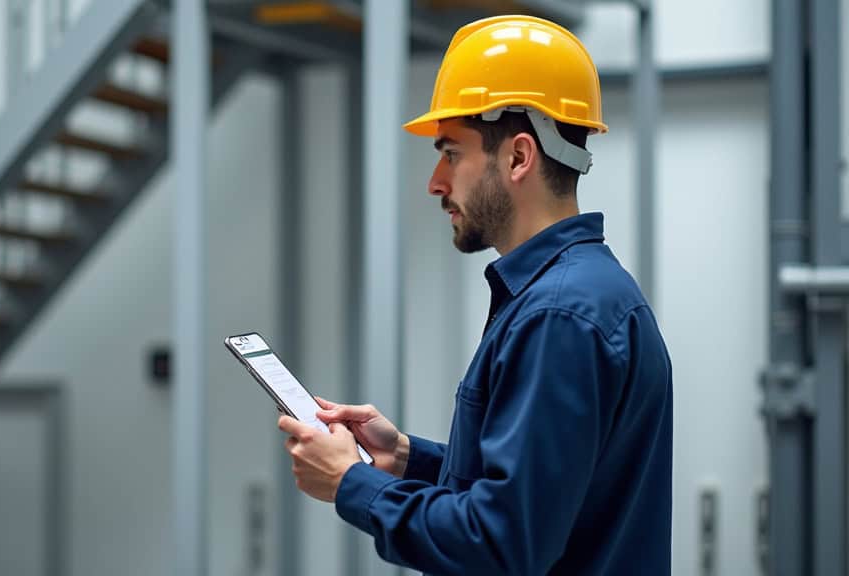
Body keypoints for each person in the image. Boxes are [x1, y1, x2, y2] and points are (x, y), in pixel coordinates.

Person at [278, 14, 672, 575]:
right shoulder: (578, 293)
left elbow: (500, 546)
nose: (436, 181)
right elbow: (535, 497)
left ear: (517, 157)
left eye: (452, 153)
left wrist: (352, 482)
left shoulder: (559, 315)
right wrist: (408, 460)